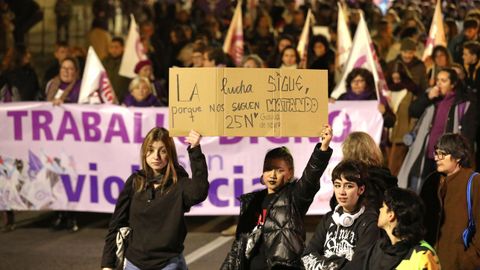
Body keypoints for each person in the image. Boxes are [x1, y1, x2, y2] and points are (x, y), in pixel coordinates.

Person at [221, 125, 333, 269]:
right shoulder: (251, 201)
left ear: (290, 173)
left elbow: (311, 177)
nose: (272, 175)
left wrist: (323, 149)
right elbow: (238, 247)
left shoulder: (294, 197)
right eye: (268, 169)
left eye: (279, 170)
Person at [101, 128, 209, 270]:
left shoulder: (180, 184)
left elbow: (199, 192)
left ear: (170, 154)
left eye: (163, 151)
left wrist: (195, 149)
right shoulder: (135, 182)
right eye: (150, 150)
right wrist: (107, 264)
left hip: (168, 264)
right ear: (144, 152)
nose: (156, 156)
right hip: (134, 263)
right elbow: (116, 224)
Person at [398, 68, 477, 192]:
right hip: (426, 154)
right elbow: (413, 111)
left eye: (443, 81)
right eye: (437, 80)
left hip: (447, 156)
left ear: (453, 84)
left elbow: (468, 133)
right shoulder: (432, 98)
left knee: (444, 191)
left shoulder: (463, 102)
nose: (439, 84)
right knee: (422, 190)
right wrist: (427, 97)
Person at [302, 160, 381, 269]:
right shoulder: (329, 218)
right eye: (337, 185)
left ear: (361, 189)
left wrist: (324, 262)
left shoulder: (369, 222)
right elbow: (306, 256)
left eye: (349, 186)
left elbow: (358, 266)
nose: (342, 192)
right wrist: (336, 264)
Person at [420, 133, 480, 269]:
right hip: (430, 262)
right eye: (436, 153)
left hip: (458, 264)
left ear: (458, 156)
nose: (436, 158)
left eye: (442, 154)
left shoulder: (474, 181)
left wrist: (468, 259)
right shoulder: (432, 181)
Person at [363, 187, 441, 269]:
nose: (380, 209)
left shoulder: (422, 255)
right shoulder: (379, 247)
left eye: (383, 206)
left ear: (391, 215)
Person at [102, 36, 131, 103]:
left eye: (116, 47)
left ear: (122, 48)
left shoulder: (127, 62)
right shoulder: (104, 62)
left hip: (123, 100)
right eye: (111, 47)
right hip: (106, 99)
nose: (113, 50)